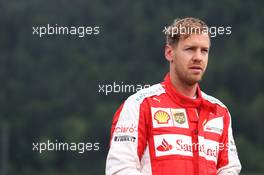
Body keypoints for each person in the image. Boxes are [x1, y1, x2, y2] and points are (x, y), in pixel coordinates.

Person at [105, 17, 241, 175]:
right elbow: (120, 169)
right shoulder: (140, 104)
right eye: (190, 49)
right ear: (170, 53)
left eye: (204, 50)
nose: (198, 57)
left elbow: (229, 169)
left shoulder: (219, 112)